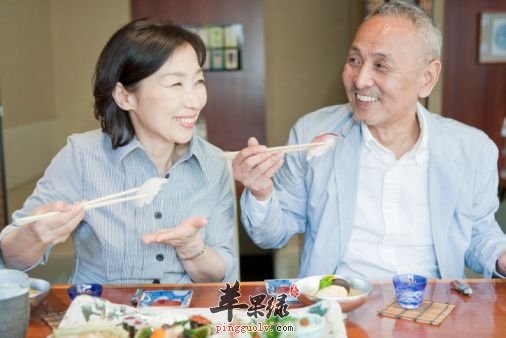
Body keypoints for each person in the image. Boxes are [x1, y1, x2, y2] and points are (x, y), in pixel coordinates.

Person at [232, 0, 506, 280]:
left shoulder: (472, 149)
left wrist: (501, 258)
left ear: (427, 77)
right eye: (355, 60)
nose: (360, 79)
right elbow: (271, 236)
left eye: (381, 65)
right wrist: (261, 193)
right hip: (338, 305)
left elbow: (478, 234)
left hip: (431, 307)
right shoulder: (312, 133)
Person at [0, 19, 237, 284]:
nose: (195, 101)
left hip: (186, 319)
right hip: (101, 318)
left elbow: (220, 272)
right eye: (176, 84)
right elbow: (10, 259)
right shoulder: (81, 157)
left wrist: (192, 248)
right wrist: (34, 234)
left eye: (199, 81)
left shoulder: (213, 161)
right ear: (125, 96)